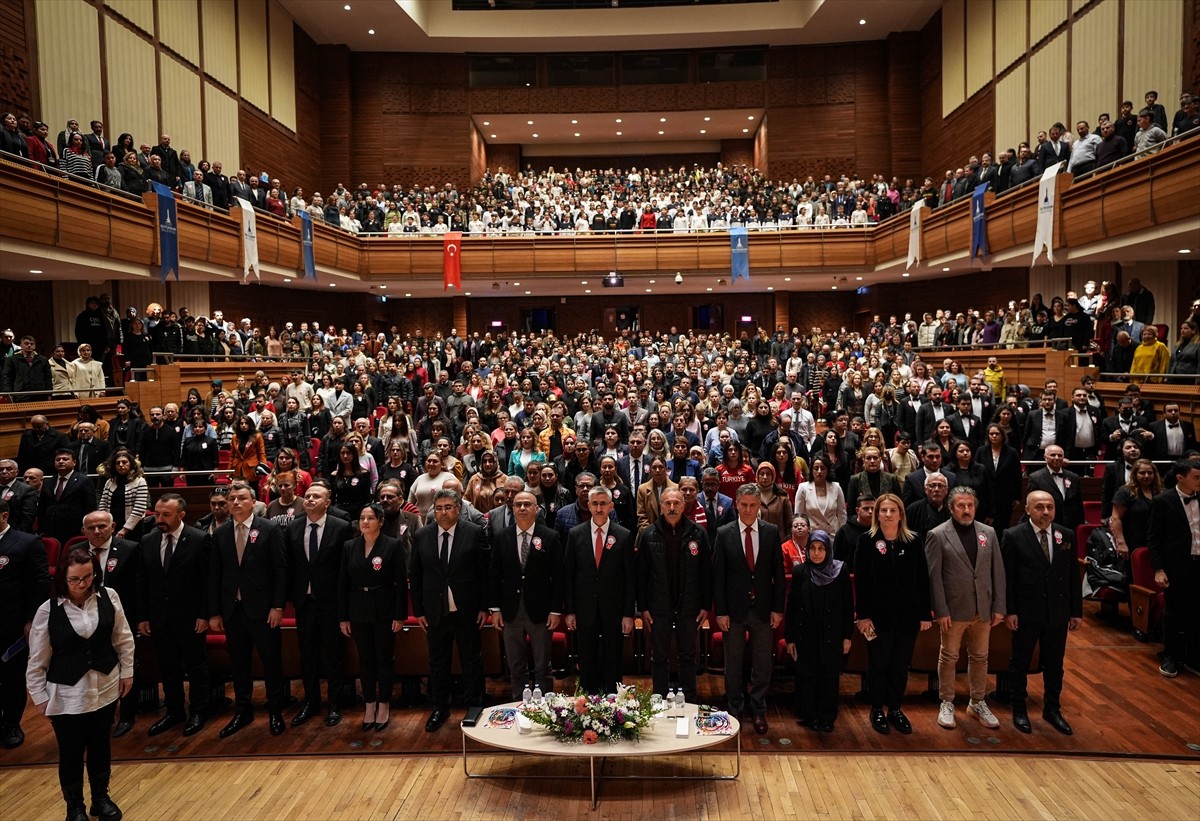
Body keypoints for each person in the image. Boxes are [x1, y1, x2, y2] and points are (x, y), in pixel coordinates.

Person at [26, 545, 134, 821]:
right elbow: (37, 660)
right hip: (66, 694)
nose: (81, 584)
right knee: (71, 752)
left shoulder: (109, 596)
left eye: (87, 578)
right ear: (63, 578)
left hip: (105, 686)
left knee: (101, 745)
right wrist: (40, 698)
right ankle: (75, 806)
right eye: (75, 579)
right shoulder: (47, 610)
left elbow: (123, 638)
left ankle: (101, 798)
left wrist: (127, 672)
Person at [207, 482, 288, 738]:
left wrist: (277, 605)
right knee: (239, 664)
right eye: (232, 499)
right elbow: (215, 576)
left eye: (241, 498)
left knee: (270, 662)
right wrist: (215, 612)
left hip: (264, 610)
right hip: (233, 610)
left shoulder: (270, 529)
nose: (235, 503)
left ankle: (275, 711)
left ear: (253, 502)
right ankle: (243, 711)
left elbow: (281, 570)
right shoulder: (220, 534)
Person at [925, 487, 1006, 731]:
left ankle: (977, 702)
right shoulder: (937, 535)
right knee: (949, 656)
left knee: (981, 657)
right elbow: (934, 577)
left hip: (983, 608)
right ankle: (946, 702)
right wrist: (940, 610)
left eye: (970, 505)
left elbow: (998, 572)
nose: (966, 510)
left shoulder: (988, 532)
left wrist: (999, 606)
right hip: (953, 609)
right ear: (951, 508)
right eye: (960, 505)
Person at [410, 489, 489, 732]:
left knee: (471, 661)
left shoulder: (475, 532)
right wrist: (420, 610)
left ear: (458, 509)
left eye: (448, 507)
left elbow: (484, 573)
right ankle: (440, 708)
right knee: (438, 663)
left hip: (467, 610)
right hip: (436, 611)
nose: (443, 512)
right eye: (439, 508)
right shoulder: (423, 535)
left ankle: (475, 706)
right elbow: (416, 575)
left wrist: (485, 606)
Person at [1004, 490, 1082, 735]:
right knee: (1020, 662)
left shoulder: (1065, 534)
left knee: (1055, 664)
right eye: (1039, 507)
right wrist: (1010, 610)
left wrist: (1076, 611)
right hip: (1026, 611)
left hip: (1057, 612)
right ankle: (1019, 709)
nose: (1046, 511)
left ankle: (1052, 709)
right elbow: (1008, 577)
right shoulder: (1014, 536)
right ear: (1027, 509)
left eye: (1050, 507)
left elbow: (1072, 575)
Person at [853, 493, 932, 735]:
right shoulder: (866, 541)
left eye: (892, 511)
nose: (888, 515)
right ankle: (877, 708)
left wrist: (925, 614)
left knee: (900, 665)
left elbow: (922, 579)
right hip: (877, 618)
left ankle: (895, 708)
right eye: (883, 510)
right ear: (877, 514)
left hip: (907, 616)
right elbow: (862, 582)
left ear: (900, 515)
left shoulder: (914, 540)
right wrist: (863, 616)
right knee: (879, 663)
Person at [712, 484, 786, 734]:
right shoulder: (724, 533)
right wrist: (720, 611)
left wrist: (778, 609)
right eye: (743, 504)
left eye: (752, 505)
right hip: (733, 611)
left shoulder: (770, 532)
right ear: (736, 504)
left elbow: (778, 573)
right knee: (733, 663)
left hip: (764, 610)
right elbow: (718, 577)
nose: (747, 509)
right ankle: (734, 709)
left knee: (763, 663)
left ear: (758, 507)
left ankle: (758, 709)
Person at [136, 494, 211, 737]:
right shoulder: (148, 540)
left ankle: (199, 710)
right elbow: (143, 581)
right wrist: (143, 615)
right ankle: (174, 710)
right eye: (157, 514)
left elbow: (207, 582)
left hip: (190, 617)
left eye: (166, 515)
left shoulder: (199, 539)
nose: (160, 519)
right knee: (167, 666)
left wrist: (204, 615)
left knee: (195, 665)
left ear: (181, 515)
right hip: (159, 617)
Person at [636, 487, 711, 703]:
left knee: (688, 656)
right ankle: (659, 699)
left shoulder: (698, 533)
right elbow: (641, 575)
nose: (671, 507)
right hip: (658, 606)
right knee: (659, 656)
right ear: (660, 506)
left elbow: (706, 572)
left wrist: (705, 605)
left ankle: (688, 700)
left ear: (684, 505)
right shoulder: (648, 534)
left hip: (689, 606)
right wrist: (643, 608)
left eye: (676, 503)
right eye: (667, 503)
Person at [287, 481, 353, 727]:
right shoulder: (292, 528)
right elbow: (290, 567)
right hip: (304, 602)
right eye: (307, 495)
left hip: (331, 602)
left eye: (317, 496)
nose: (310, 499)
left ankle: (335, 703)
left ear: (328, 502)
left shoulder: (341, 527)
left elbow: (345, 569)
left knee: (334, 655)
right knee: (308, 655)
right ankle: (311, 702)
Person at [489, 490, 562, 701]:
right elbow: (494, 574)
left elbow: (558, 577)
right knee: (515, 663)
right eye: (518, 504)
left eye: (527, 504)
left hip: (540, 610)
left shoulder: (550, 536)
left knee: (542, 664)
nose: (522, 508)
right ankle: (519, 704)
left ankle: (546, 705)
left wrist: (555, 610)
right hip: (511, 610)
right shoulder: (502, 536)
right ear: (512, 509)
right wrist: (495, 609)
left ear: (536, 509)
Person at [563, 485, 635, 696]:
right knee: (587, 657)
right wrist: (570, 610)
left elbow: (630, 579)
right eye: (595, 503)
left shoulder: (623, 535)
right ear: (588, 505)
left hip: (614, 608)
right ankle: (588, 701)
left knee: (613, 656)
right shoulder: (576, 534)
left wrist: (628, 613)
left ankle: (614, 701)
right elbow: (569, 575)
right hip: (585, 608)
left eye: (603, 503)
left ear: (611, 506)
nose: (599, 507)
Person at [338, 503, 405, 732]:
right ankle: (369, 705)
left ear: (381, 521)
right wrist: (343, 617)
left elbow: (400, 584)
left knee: (384, 658)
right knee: (365, 659)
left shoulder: (393, 545)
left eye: (370, 518)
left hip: (385, 608)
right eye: (362, 517)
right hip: (358, 609)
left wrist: (399, 615)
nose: (365, 522)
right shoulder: (349, 546)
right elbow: (343, 584)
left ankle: (384, 704)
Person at [785, 529, 853, 734]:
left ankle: (826, 717)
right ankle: (810, 715)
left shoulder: (840, 571)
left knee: (829, 676)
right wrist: (790, 639)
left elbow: (848, 606)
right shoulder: (800, 572)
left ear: (828, 550)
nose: (816, 553)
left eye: (821, 549)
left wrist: (847, 636)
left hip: (832, 635)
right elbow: (792, 607)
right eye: (812, 548)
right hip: (806, 635)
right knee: (807, 676)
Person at [0, 498, 50, 749]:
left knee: (11, 677)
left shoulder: (27, 542)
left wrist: (32, 620)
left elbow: (40, 585)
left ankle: (11, 724)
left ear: (4, 516)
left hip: (13, 624)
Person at [1146, 460, 1200, 677]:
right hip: (1177, 566)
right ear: (1180, 477)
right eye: (1196, 477)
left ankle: (1194, 657)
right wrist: (1158, 569)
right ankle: (1170, 656)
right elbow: (1153, 538)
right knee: (1174, 612)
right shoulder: (1163, 501)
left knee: (1198, 612)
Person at [39, 449, 97, 546]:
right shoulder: (48, 481)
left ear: (74, 462)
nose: (61, 461)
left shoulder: (84, 480)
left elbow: (90, 506)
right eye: (58, 459)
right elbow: (42, 507)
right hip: (50, 529)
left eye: (65, 459)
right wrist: (41, 529)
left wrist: (87, 526)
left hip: (73, 529)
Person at [1026, 445, 1085, 532]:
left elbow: (1078, 504)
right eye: (1053, 455)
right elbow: (1032, 503)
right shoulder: (1035, 478)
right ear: (1045, 457)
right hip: (1047, 523)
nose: (1057, 458)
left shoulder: (1073, 477)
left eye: (1060, 455)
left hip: (1070, 526)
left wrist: (1081, 524)